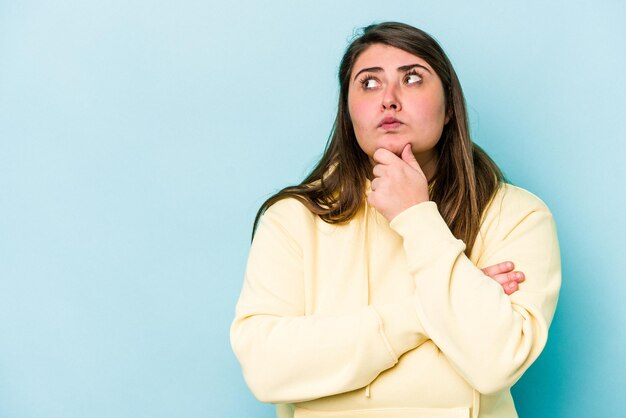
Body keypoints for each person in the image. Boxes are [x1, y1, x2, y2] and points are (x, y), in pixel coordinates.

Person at [230, 22, 560, 418]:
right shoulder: (292, 219)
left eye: (413, 78)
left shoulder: (517, 216)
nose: (389, 99)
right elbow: (267, 369)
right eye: (369, 83)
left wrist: (417, 216)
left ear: (450, 106)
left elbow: (494, 363)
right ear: (348, 110)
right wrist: (424, 313)